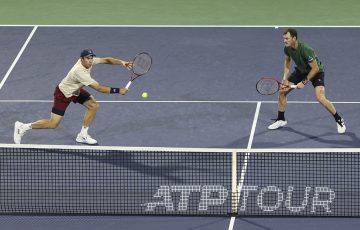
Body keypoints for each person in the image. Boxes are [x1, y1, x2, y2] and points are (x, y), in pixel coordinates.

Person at [14, 49, 131, 145]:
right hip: (63, 94)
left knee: (93, 105)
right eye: (88, 58)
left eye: (91, 58)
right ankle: (23, 127)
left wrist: (122, 62)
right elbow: (99, 88)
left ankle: (82, 135)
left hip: (75, 90)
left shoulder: (89, 61)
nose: (90, 61)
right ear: (81, 59)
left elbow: (106, 60)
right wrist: (118, 90)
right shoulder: (79, 72)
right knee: (53, 124)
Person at [268, 28, 346, 134]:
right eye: (284, 38)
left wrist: (304, 82)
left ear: (294, 38)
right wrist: (285, 78)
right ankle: (281, 119)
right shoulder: (287, 48)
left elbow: (315, 68)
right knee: (282, 92)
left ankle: (339, 119)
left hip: (316, 72)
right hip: (301, 71)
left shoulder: (305, 49)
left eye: (287, 38)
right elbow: (287, 62)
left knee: (320, 98)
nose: (284, 40)